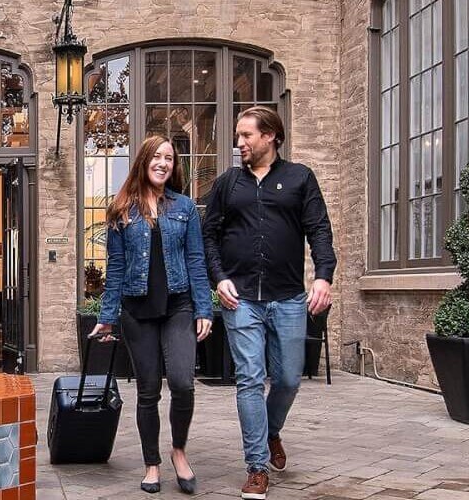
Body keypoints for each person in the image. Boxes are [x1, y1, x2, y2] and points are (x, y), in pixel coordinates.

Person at [203, 106, 336, 499]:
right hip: (241, 298)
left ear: (270, 137)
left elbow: (320, 231)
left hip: (289, 297)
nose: (239, 143)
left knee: (289, 379)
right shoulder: (228, 184)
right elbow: (208, 236)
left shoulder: (300, 178)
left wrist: (324, 277)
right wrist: (219, 278)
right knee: (248, 379)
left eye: (246, 136)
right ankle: (257, 465)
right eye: (238, 136)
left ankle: (271, 430)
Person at [91, 135, 214, 494]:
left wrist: (204, 307)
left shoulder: (184, 207)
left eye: (170, 159)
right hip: (137, 309)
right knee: (147, 391)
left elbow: (195, 259)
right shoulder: (122, 209)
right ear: (144, 161)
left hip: (179, 305)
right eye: (157, 157)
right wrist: (107, 315)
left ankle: (178, 450)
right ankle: (152, 464)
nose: (163, 163)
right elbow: (115, 267)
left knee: (182, 383)